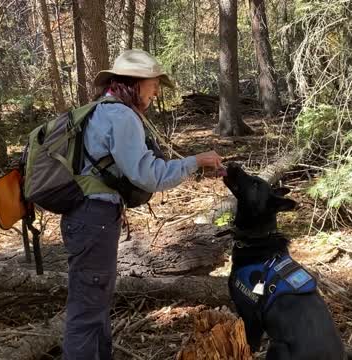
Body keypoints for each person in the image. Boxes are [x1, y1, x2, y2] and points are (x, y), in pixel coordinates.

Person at [60, 49, 223, 359]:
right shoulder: (121, 116)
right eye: (153, 83)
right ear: (135, 82)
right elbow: (148, 175)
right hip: (94, 219)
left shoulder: (102, 111)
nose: (157, 90)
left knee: (94, 305)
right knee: (87, 312)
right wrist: (195, 161)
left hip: (88, 218)